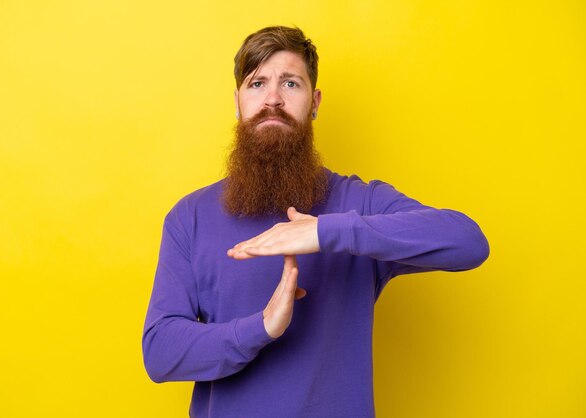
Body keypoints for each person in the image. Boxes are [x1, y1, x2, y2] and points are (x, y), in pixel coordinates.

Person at [142, 26, 489, 418]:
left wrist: (327, 232)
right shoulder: (189, 217)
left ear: (314, 102)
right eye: (257, 83)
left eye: (290, 83)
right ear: (237, 102)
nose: (273, 99)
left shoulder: (359, 201)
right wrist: (262, 328)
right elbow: (160, 352)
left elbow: (468, 242)